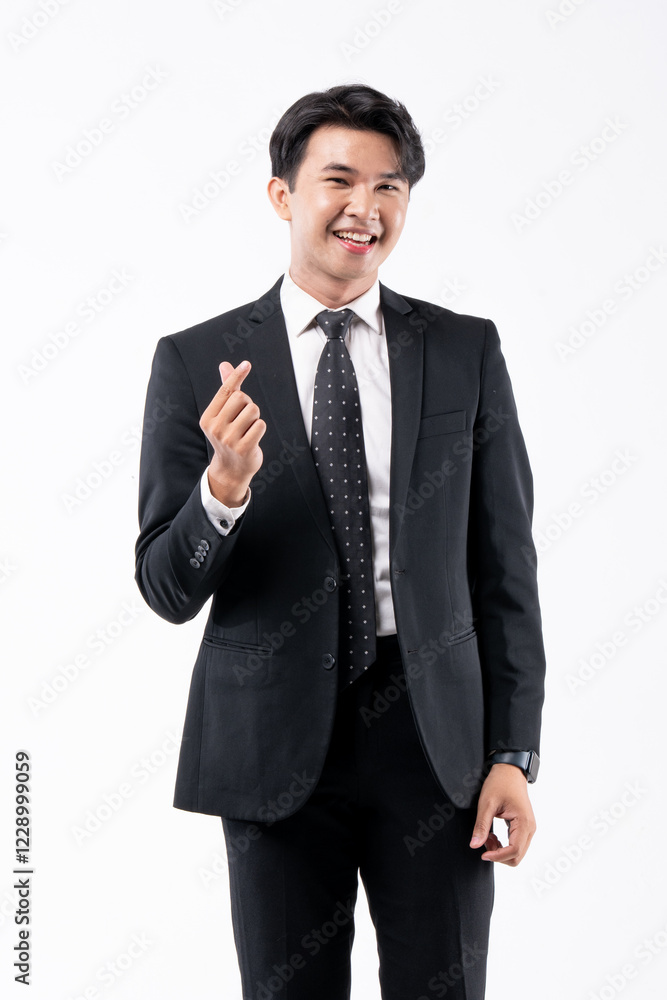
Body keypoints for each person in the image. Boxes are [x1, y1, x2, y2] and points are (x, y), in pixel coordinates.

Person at [135, 83, 546, 1000]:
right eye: (339, 181)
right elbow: (165, 589)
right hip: (271, 743)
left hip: (434, 738)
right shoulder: (195, 360)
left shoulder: (462, 350)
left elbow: (505, 571)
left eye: (390, 187)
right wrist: (220, 492)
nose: (365, 208)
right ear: (283, 195)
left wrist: (513, 756)